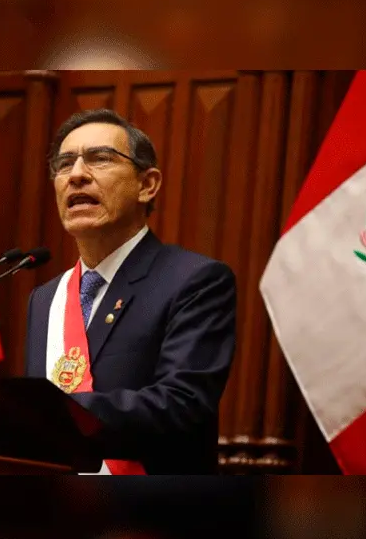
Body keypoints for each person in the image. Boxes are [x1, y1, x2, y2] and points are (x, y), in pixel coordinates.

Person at [24, 108, 237, 475]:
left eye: (99, 159)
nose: (76, 175)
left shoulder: (195, 280)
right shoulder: (45, 298)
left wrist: (57, 416)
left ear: (147, 185)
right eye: (64, 164)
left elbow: (181, 404)